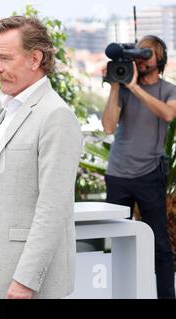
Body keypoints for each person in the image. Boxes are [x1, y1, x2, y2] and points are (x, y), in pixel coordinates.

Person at [0, 16, 82, 299]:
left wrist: (25, 281)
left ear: (35, 59)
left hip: (25, 285)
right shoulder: (10, 109)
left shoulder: (56, 115)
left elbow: (53, 208)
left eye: (4, 58)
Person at [102, 35, 176, 299]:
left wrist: (134, 87)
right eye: (139, 54)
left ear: (160, 59)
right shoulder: (122, 88)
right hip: (118, 174)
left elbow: (169, 114)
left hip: (149, 175)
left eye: (148, 54)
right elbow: (109, 127)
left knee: (159, 245)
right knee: (115, 240)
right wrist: (114, 86)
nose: (143, 60)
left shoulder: (168, 89)